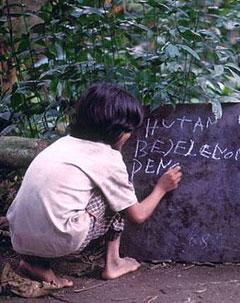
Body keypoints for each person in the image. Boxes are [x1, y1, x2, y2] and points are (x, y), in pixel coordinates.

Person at [6, 83, 182, 287]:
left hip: (19, 238)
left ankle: (34, 265)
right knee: (115, 199)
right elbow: (138, 215)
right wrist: (161, 188)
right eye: (129, 130)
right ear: (117, 130)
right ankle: (114, 263)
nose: (130, 135)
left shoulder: (62, 144)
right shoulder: (108, 159)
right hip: (61, 238)